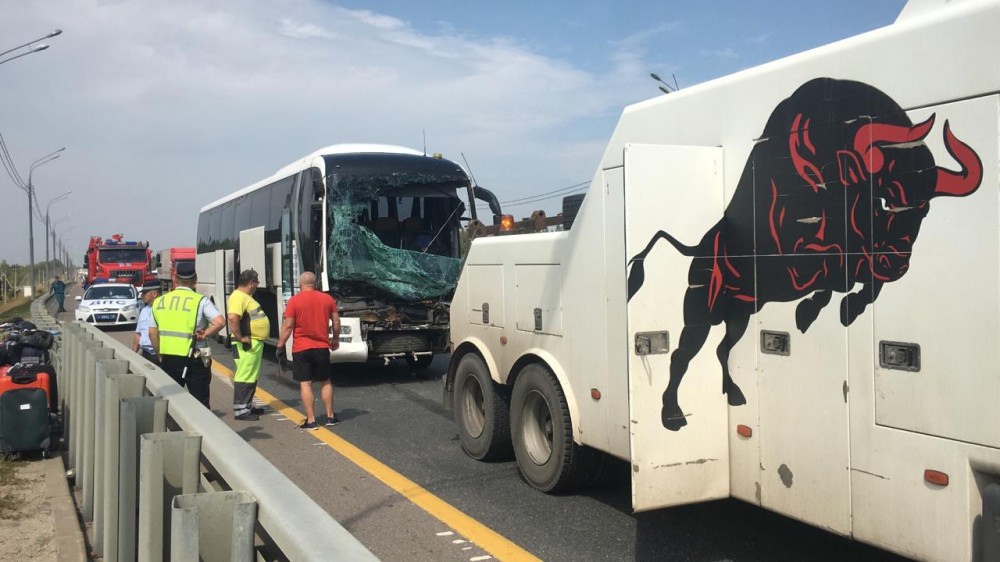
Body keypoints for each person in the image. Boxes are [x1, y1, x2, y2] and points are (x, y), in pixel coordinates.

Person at [148, 261, 225, 409]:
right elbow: (220, 322)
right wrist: (205, 333)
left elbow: (152, 333)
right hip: (196, 356)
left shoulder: (159, 302)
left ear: (175, 279)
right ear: (195, 280)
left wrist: (159, 354)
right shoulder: (201, 301)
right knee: (200, 401)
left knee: (170, 401)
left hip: (169, 357)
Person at [276, 271, 340, 430]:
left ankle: (311, 421)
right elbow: (336, 321)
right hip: (322, 347)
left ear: (300, 284)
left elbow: (288, 326)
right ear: (315, 283)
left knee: (305, 384)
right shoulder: (327, 299)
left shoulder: (294, 301)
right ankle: (330, 416)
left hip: (301, 348)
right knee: (325, 381)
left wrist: (280, 345)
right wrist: (335, 339)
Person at [227, 269, 270, 421]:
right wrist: (240, 337)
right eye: (257, 283)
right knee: (245, 375)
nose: (257, 286)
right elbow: (233, 318)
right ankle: (241, 411)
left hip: (252, 342)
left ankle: (247, 406)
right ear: (251, 283)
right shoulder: (239, 296)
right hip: (247, 343)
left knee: (250, 375)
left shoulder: (244, 297)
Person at [131, 280, 161, 363]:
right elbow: (138, 333)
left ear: (154, 294)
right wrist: (132, 355)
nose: (142, 296)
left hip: (160, 354)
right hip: (146, 354)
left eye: (144, 293)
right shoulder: (144, 310)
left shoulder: (164, 310)